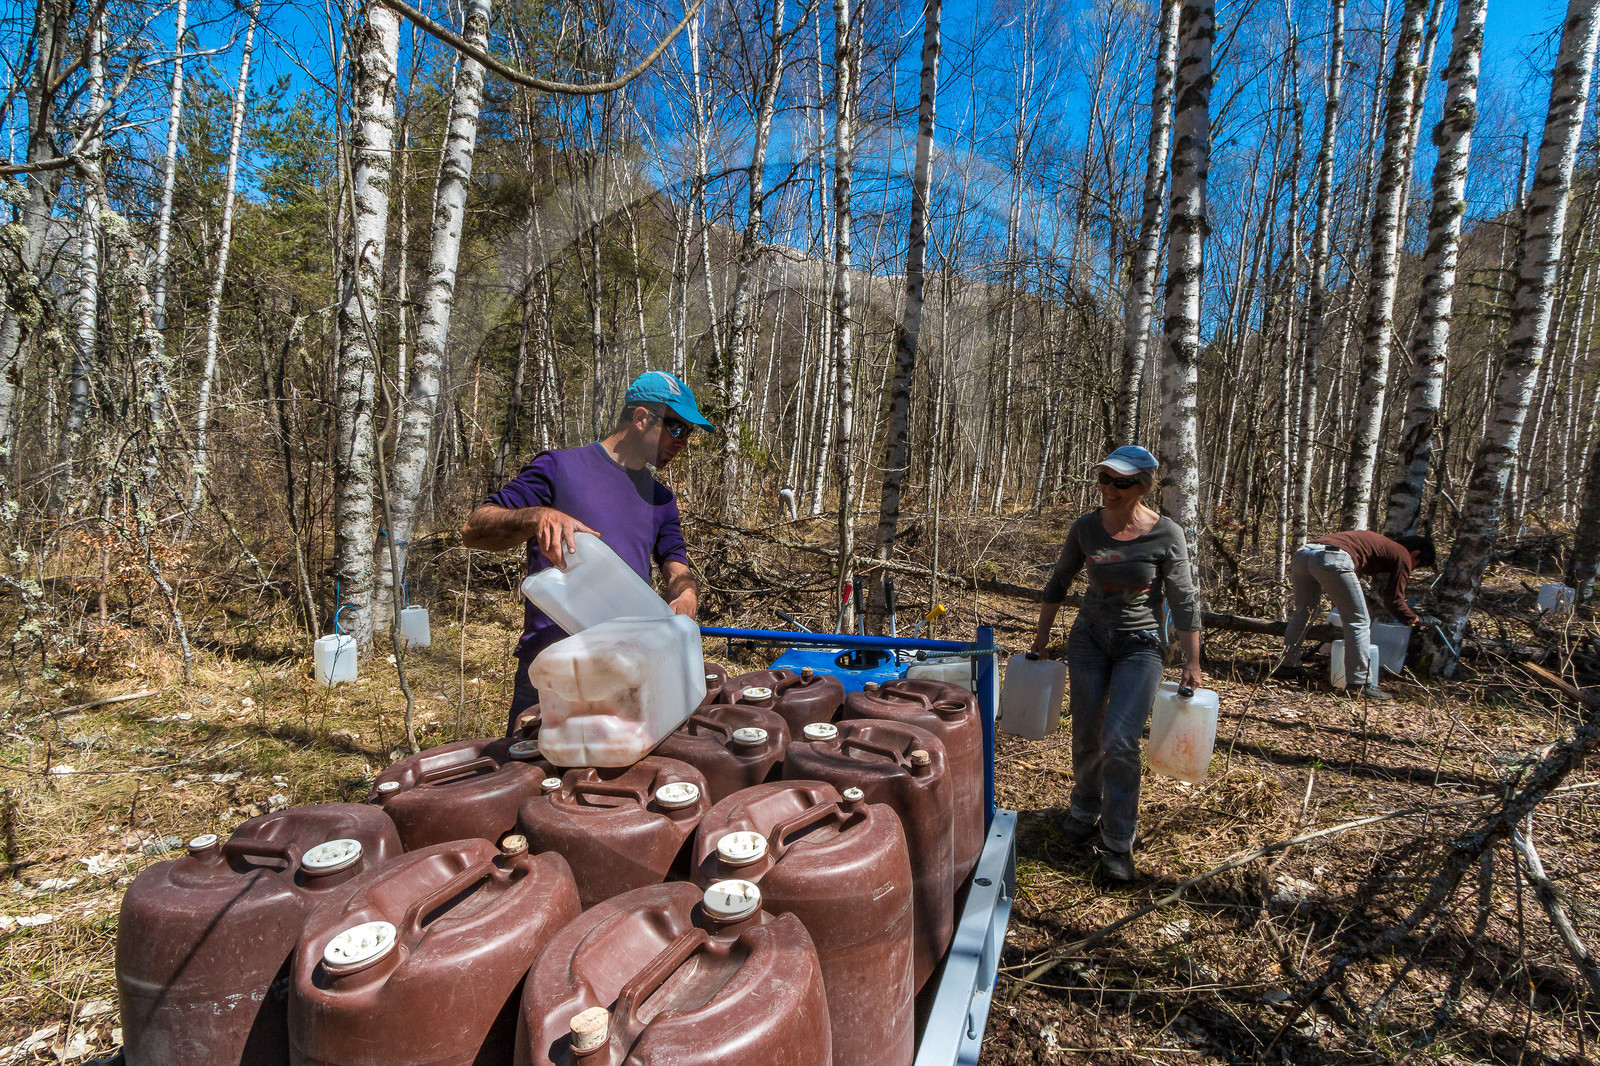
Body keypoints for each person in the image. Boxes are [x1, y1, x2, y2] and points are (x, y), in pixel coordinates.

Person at [462, 371, 714, 736]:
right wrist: (538, 516)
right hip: (551, 671)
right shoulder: (560, 468)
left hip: (626, 671)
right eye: (677, 429)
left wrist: (687, 593)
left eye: (689, 434)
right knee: (531, 783)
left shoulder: (662, 500)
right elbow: (475, 528)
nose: (683, 442)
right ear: (642, 418)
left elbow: (676, 567)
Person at [1027, 446, 1203, 882]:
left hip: (1141, 645)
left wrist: (1192, 660)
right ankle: (1084, 807)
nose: (1110, 488)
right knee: (1086, 730)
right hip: (1089, 639)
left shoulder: (1166, 534)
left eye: (1121, 482)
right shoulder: (1086, 528)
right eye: (1105, 478)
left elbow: (1182, 597)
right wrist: (1041, 638)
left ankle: (1118, 841)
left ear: (1142, 485)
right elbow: (1059, 580)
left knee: (1120, 737)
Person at [1280, 530, 1437, 701]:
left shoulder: (1378, 544)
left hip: (1304, 553)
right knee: (1359, 622)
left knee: (1305, 612)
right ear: (1416, 553)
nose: (1411, 568)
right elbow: (1395, 602)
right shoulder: (1403, 554)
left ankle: (1288, 665)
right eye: (1417, 565)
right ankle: (1359, 683)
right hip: (1333, 557)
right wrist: (1415, 619)